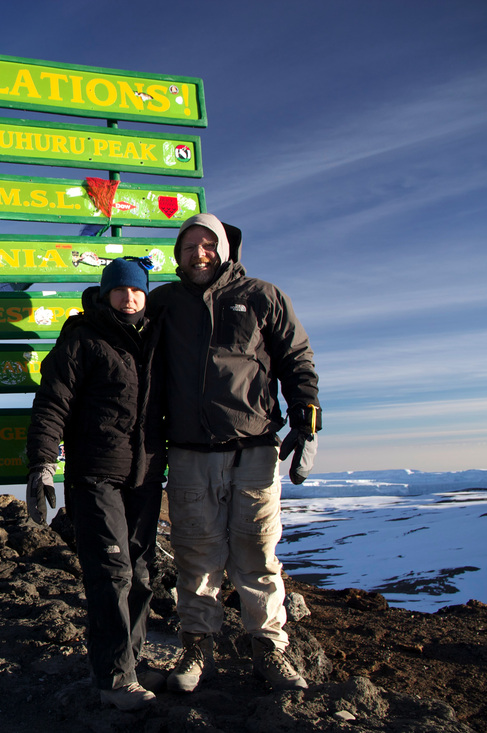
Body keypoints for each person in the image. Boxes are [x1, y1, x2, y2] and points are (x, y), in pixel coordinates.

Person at [146, 213, 321, 693]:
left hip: (253, 447)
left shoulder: (261, 296)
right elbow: (123, 336)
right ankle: (197, 648)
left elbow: (296, 357)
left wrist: (307, 413)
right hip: (186, 450)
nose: (198, 253)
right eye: (189, 247)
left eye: (208, 244)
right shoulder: (164, 303)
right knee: (195, 554)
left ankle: (268, 648)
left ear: (225, 248)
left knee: (257, 551)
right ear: (178, 255)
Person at [26, 258, 166, 711]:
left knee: (143, 574)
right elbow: (53, 401)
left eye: (137, 291)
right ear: (106, 293)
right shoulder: (82, 336)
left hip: (144, 475)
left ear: (146, 295)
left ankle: (132, 661)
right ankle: (114, 678)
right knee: (112, 574)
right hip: (95, 474)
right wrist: (42, 464)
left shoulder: (156, 338)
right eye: (120, 290)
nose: (129, 298)